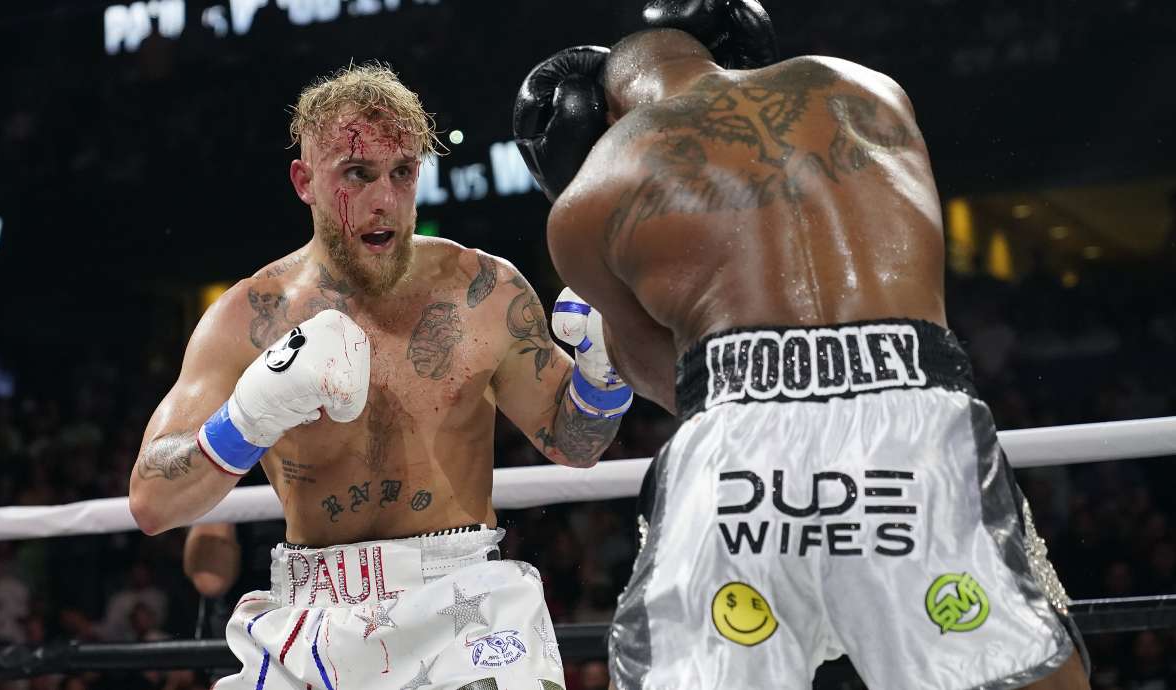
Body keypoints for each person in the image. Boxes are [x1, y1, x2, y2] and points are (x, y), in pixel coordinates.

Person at [512, 1, 1091, 688]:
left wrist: (607, 338)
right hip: (911, 417)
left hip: (740, 452)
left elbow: (671, 384)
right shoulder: (867, 89)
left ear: (604, 117)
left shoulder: (588, 199)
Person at [129, 62, 632, 690]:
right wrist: (248, 417)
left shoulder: (483, 291)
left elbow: (572, 443)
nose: (384, 200)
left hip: (462, 609)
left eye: (402, 173)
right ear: (304, 182)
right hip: (311, 615)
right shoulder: (248, 319)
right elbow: (152, 501)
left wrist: (604, 372)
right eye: (358, 174)